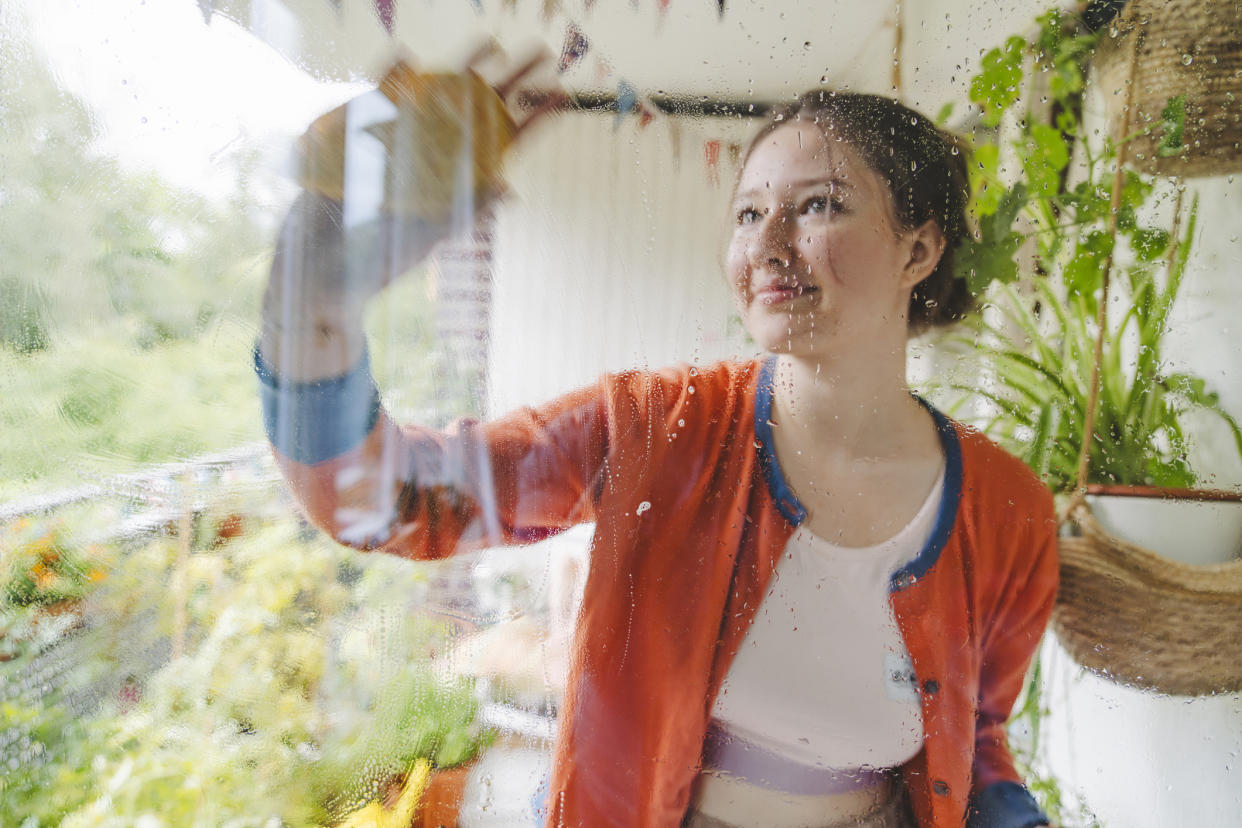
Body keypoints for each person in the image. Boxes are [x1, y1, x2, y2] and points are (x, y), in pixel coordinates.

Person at [257, 52, 1059, 828]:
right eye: (749, 211)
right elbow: (395, 502)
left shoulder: (1008, 511)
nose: (769, 242)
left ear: (918, 249)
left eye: (819, 205)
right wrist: (312, 304)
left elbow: (977, 738)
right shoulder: (654, 429)